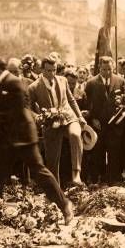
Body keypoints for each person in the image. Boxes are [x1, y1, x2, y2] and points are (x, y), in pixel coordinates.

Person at [0, 55, 74, 224]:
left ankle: (65, 205)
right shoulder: (4, 83)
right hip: (9, 140)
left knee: (39, 173)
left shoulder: (13, 83)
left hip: (23, 138)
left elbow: (18, 113)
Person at [28, 57, 86, 186]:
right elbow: (28, 108)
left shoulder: (63, 80)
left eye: (54, 70)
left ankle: (76, 173)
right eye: (48, 71)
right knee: (53, 159)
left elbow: (71, 100)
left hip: (68, 116)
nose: (52, 74)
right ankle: (56, 190)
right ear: (42, 70)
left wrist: (80, 116)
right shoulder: (34, 87)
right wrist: (38, 117)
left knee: (75, 135)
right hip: (50, 122)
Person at [84, 56, 125, 183]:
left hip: (115, 124)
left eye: (109, 69)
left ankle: (113, 179)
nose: (107, 72)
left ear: (113, 68)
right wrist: (92, 119)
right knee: (99, 153)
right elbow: (87, 105)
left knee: (115, 153)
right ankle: (99, 179)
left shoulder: (120, 81)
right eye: (104, 69)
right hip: (99, 125)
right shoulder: (91, 83)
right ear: (99, 68)